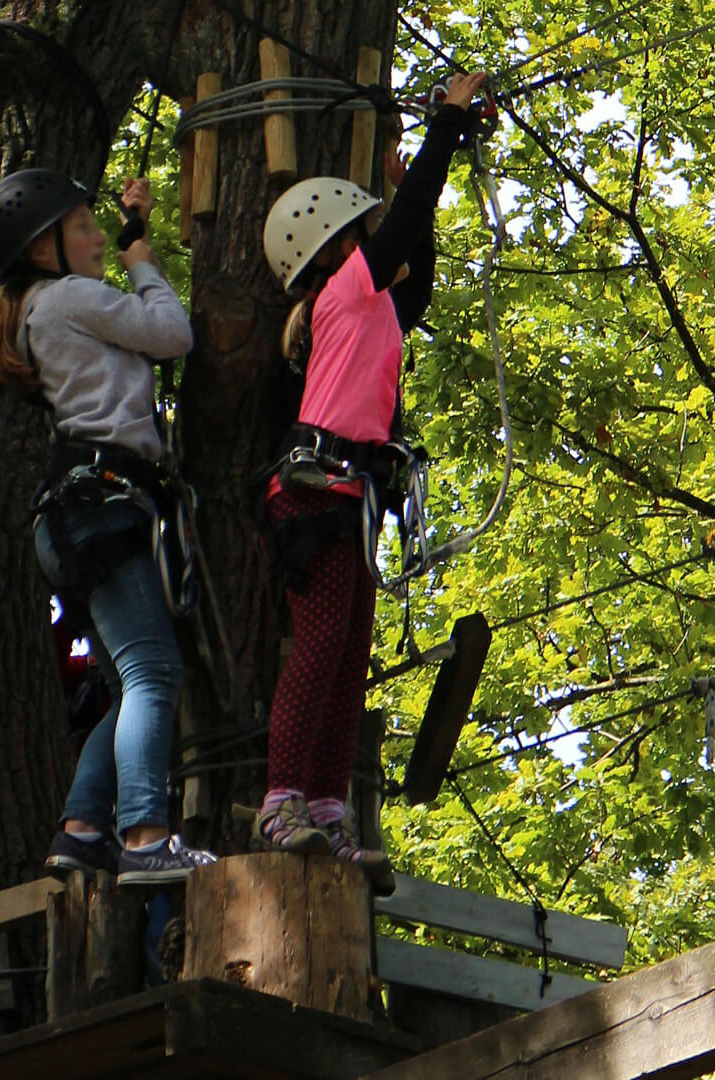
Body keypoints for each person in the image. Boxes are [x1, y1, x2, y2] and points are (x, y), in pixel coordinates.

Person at [252, 71, 491, 896]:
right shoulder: (340, 295)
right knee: (319, 651)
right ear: (335, 245)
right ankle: (281, 801)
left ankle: (324, 807)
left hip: (352, 496)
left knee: (347, 658)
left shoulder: (375, 303)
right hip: (317, 492)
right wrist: (446, 124)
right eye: (366, 228)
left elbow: (414, 269)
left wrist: (409, 180)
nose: (378, 239)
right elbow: (408, 228)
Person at [0, 167, 217, 888]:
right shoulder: (72, 297)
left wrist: (131, 229)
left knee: (125, 681)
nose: (96, 239)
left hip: (75, 516)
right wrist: (142, 264)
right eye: (81, 227)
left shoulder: (39, 308)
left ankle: (83, 829)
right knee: (154, 671)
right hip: (104, 505)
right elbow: (173, 335)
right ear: (44, 248)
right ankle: (144, 835)